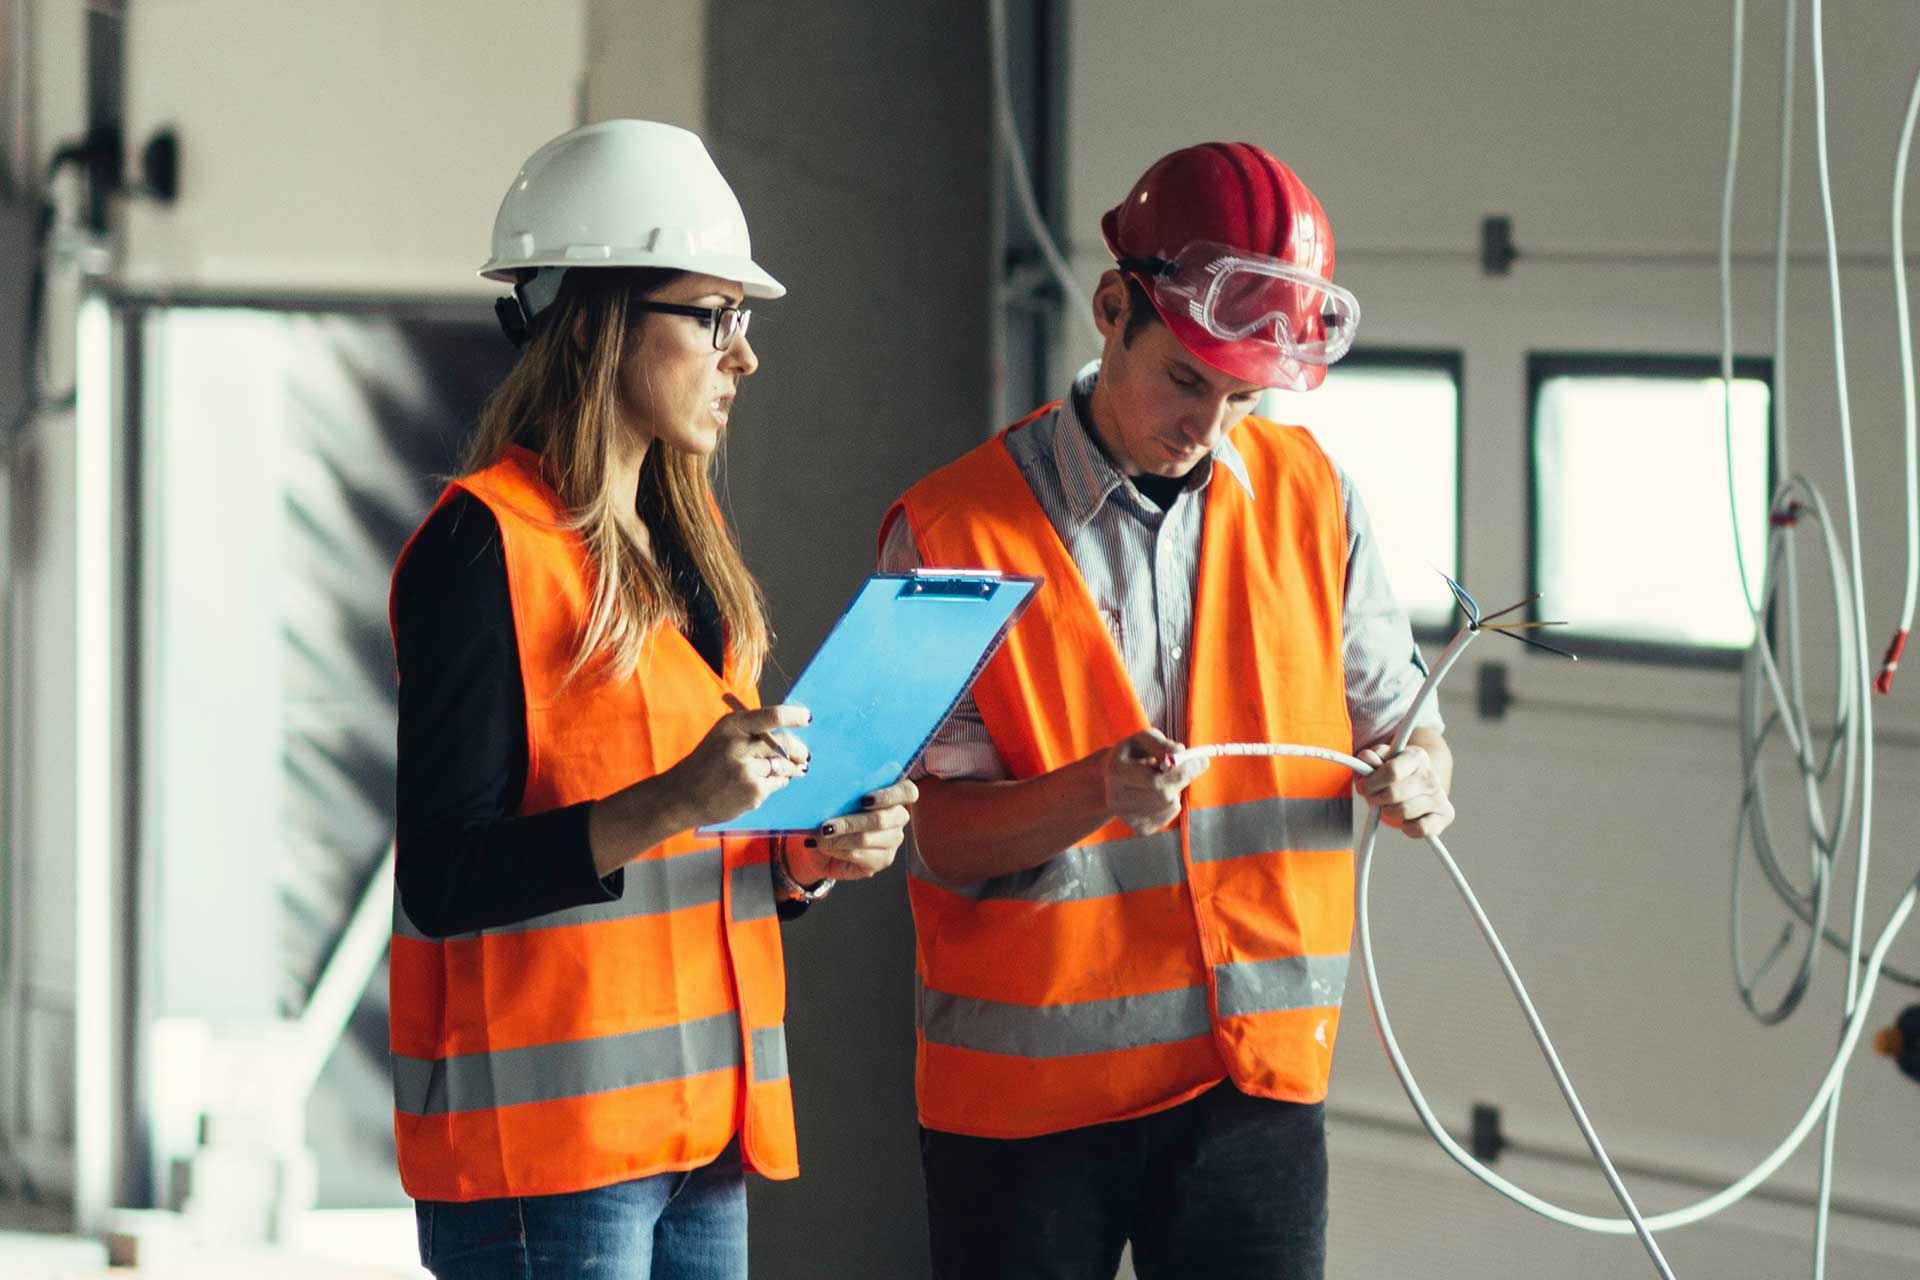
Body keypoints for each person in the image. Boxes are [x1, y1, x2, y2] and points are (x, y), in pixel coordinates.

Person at [878, 141, 1454, 1279]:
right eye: (1188, 380)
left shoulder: (1316, 499)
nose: (1211, 426)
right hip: (1026, 1114)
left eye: (1242, 397)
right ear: (1111, 308)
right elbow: (935, 836)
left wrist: (1421, 776)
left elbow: (1407, 726)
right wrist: (1097, 790)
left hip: (1251, 1090)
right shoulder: (947, 533)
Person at [389, 119, 916, 1280]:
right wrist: (679, 794)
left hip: (700, 1128)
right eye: (715, 316)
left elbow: (702, 843)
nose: (745, 357)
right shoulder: (484, 548)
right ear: (601, 317)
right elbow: (444, 874)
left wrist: (805, 857)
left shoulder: (693, 544)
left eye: (747, 322)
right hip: (549, 1156)